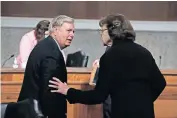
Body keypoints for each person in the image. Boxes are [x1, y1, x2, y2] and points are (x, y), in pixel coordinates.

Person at [49, 14, 166, 118]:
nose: (101, 34)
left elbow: (98, 96)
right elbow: (160, 83)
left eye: (102, 30)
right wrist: (143, 102)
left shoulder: (110, 56)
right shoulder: (144, 52)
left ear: (112, 31)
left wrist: (68, 91)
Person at [17, 15, 75, 118]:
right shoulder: (51, 53)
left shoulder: (47, 46)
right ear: (56, 30)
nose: (72, 35)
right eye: (68, 31)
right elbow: (51, 91)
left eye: (73, 32)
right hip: (40, 113)